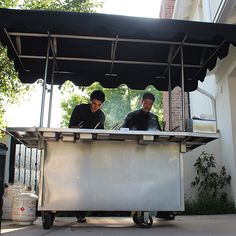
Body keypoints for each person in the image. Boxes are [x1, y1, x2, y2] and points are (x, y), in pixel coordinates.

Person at [69, 90, 106, 223]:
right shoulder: (79, 109)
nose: (95, 107)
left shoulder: (102, 116)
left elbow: (100, 134)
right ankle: (68, 207)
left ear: (101, 105)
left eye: (98, 104)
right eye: (94, 103)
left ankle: (82, 211)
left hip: (91, 150)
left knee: (87, 180)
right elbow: (72, 126)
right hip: (76, 146)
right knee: (75, 179)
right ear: (90, 100)